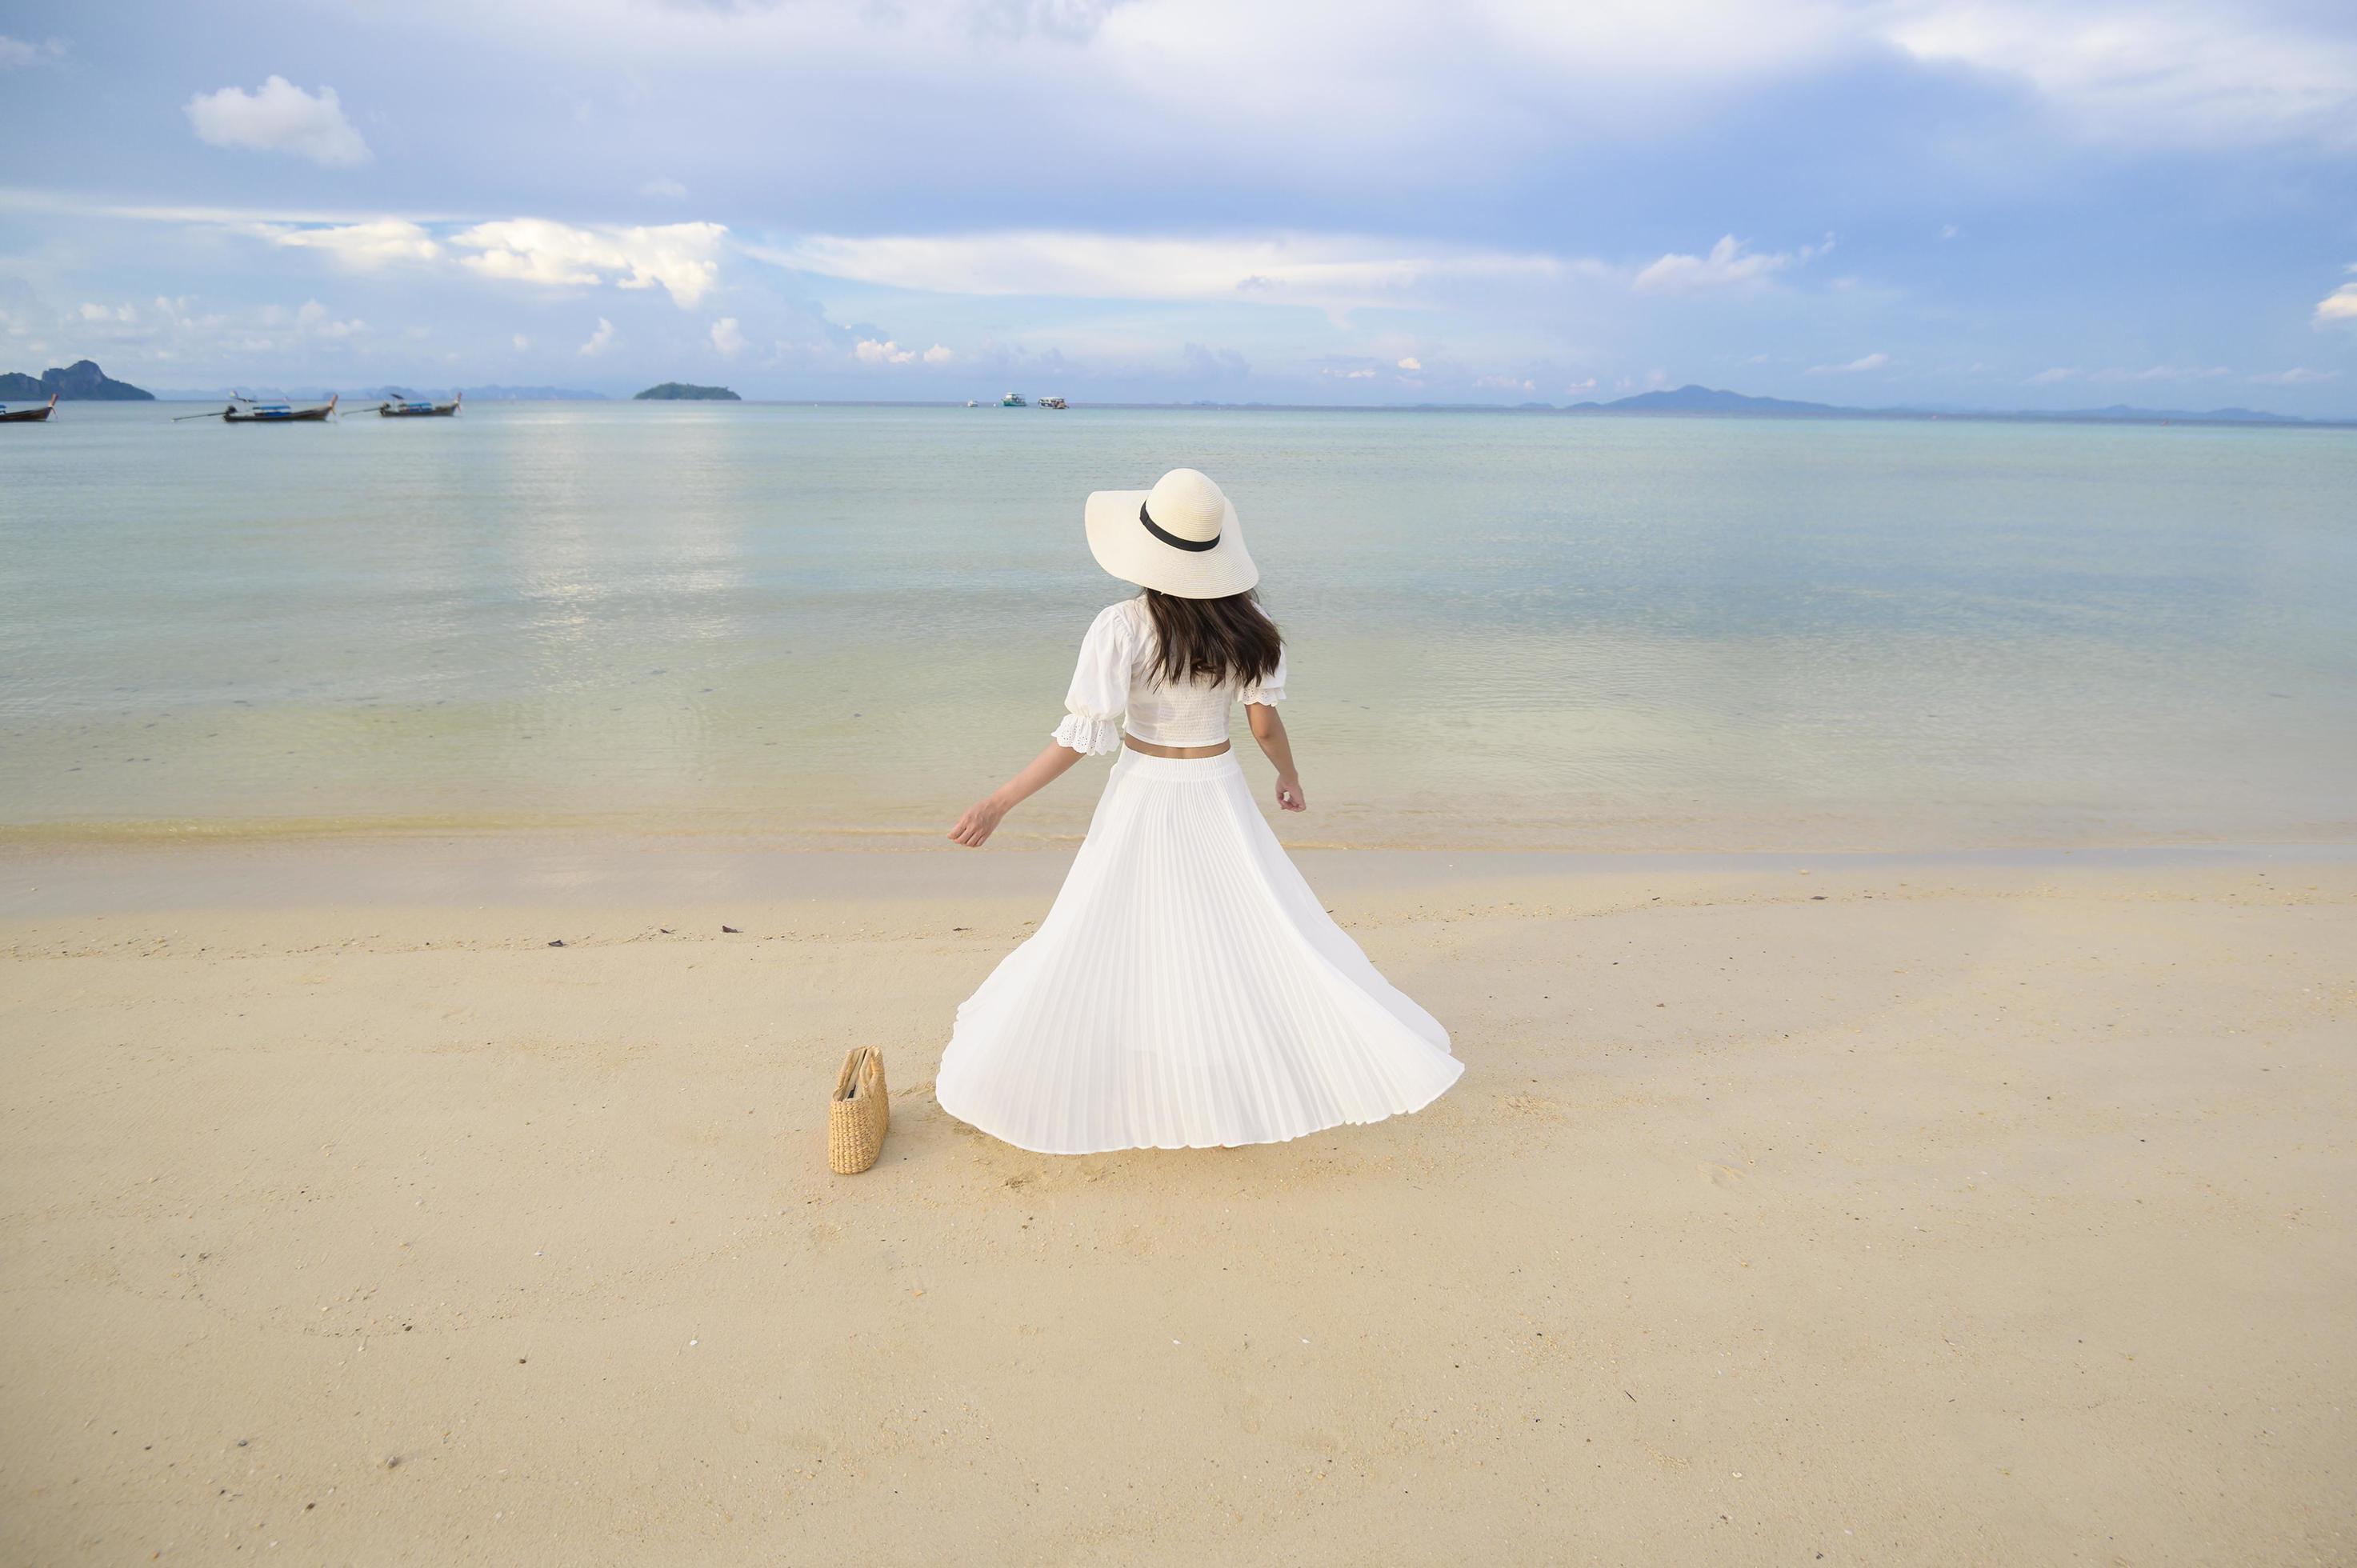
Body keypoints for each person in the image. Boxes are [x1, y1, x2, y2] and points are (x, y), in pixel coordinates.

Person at [936, 468, 1464, 1154]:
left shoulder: (1122, 625)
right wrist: (1290, 778)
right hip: (1217, 789)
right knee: (1240, 926)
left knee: (1117, 927)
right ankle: (1219, 1066)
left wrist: (999, 801)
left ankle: (1155, 1069)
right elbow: (1264, 725)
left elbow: (1083, 734)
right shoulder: (1254, 628)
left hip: (1144, 791)